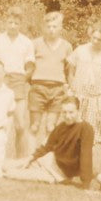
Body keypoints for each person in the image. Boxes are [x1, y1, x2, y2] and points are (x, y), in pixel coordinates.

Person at [4, 96, 95, 189]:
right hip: (48, 161)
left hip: (58, 173)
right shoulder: (62, 126)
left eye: (71, 112)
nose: (67, 116)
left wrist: (86, 183)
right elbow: (47, 147)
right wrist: (30, 158)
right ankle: (2, 166)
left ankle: (4, 170)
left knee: (12, 173)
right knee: (9, 164)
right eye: (64, 112)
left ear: (78, 111)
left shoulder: (86, 129)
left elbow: (86, 155)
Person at [0, 7, 34, 158]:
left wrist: (23, 79)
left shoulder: (26, 42)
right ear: (5, 22)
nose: (13, 25)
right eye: (10, 22)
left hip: (18, 81)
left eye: (16, 23)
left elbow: (30, 66)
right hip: (0, 80)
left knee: (20, 124)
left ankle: (20, 159)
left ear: (20, 24)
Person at [66, 23, 101, 144]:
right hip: (78, 96)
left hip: (96, 100)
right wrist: (72, 86)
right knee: (72, 133)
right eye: (93, 37)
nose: (95, 41)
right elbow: (70, 69)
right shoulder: (81, 50)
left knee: (89, 137)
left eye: (99, 39)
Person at [28, 10, 73, 143]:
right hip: (38, 88)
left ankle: (46, 160)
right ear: (44, 27)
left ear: (60, 28)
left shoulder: (67, 46)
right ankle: (30, 157)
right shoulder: (35, 44)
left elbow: (69, 71)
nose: (51, 30)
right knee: (34, 126)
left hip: (57, 90)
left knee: (50, 126)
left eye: (55, 26)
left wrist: (70, 90)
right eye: (49, 27)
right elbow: (29, 67)